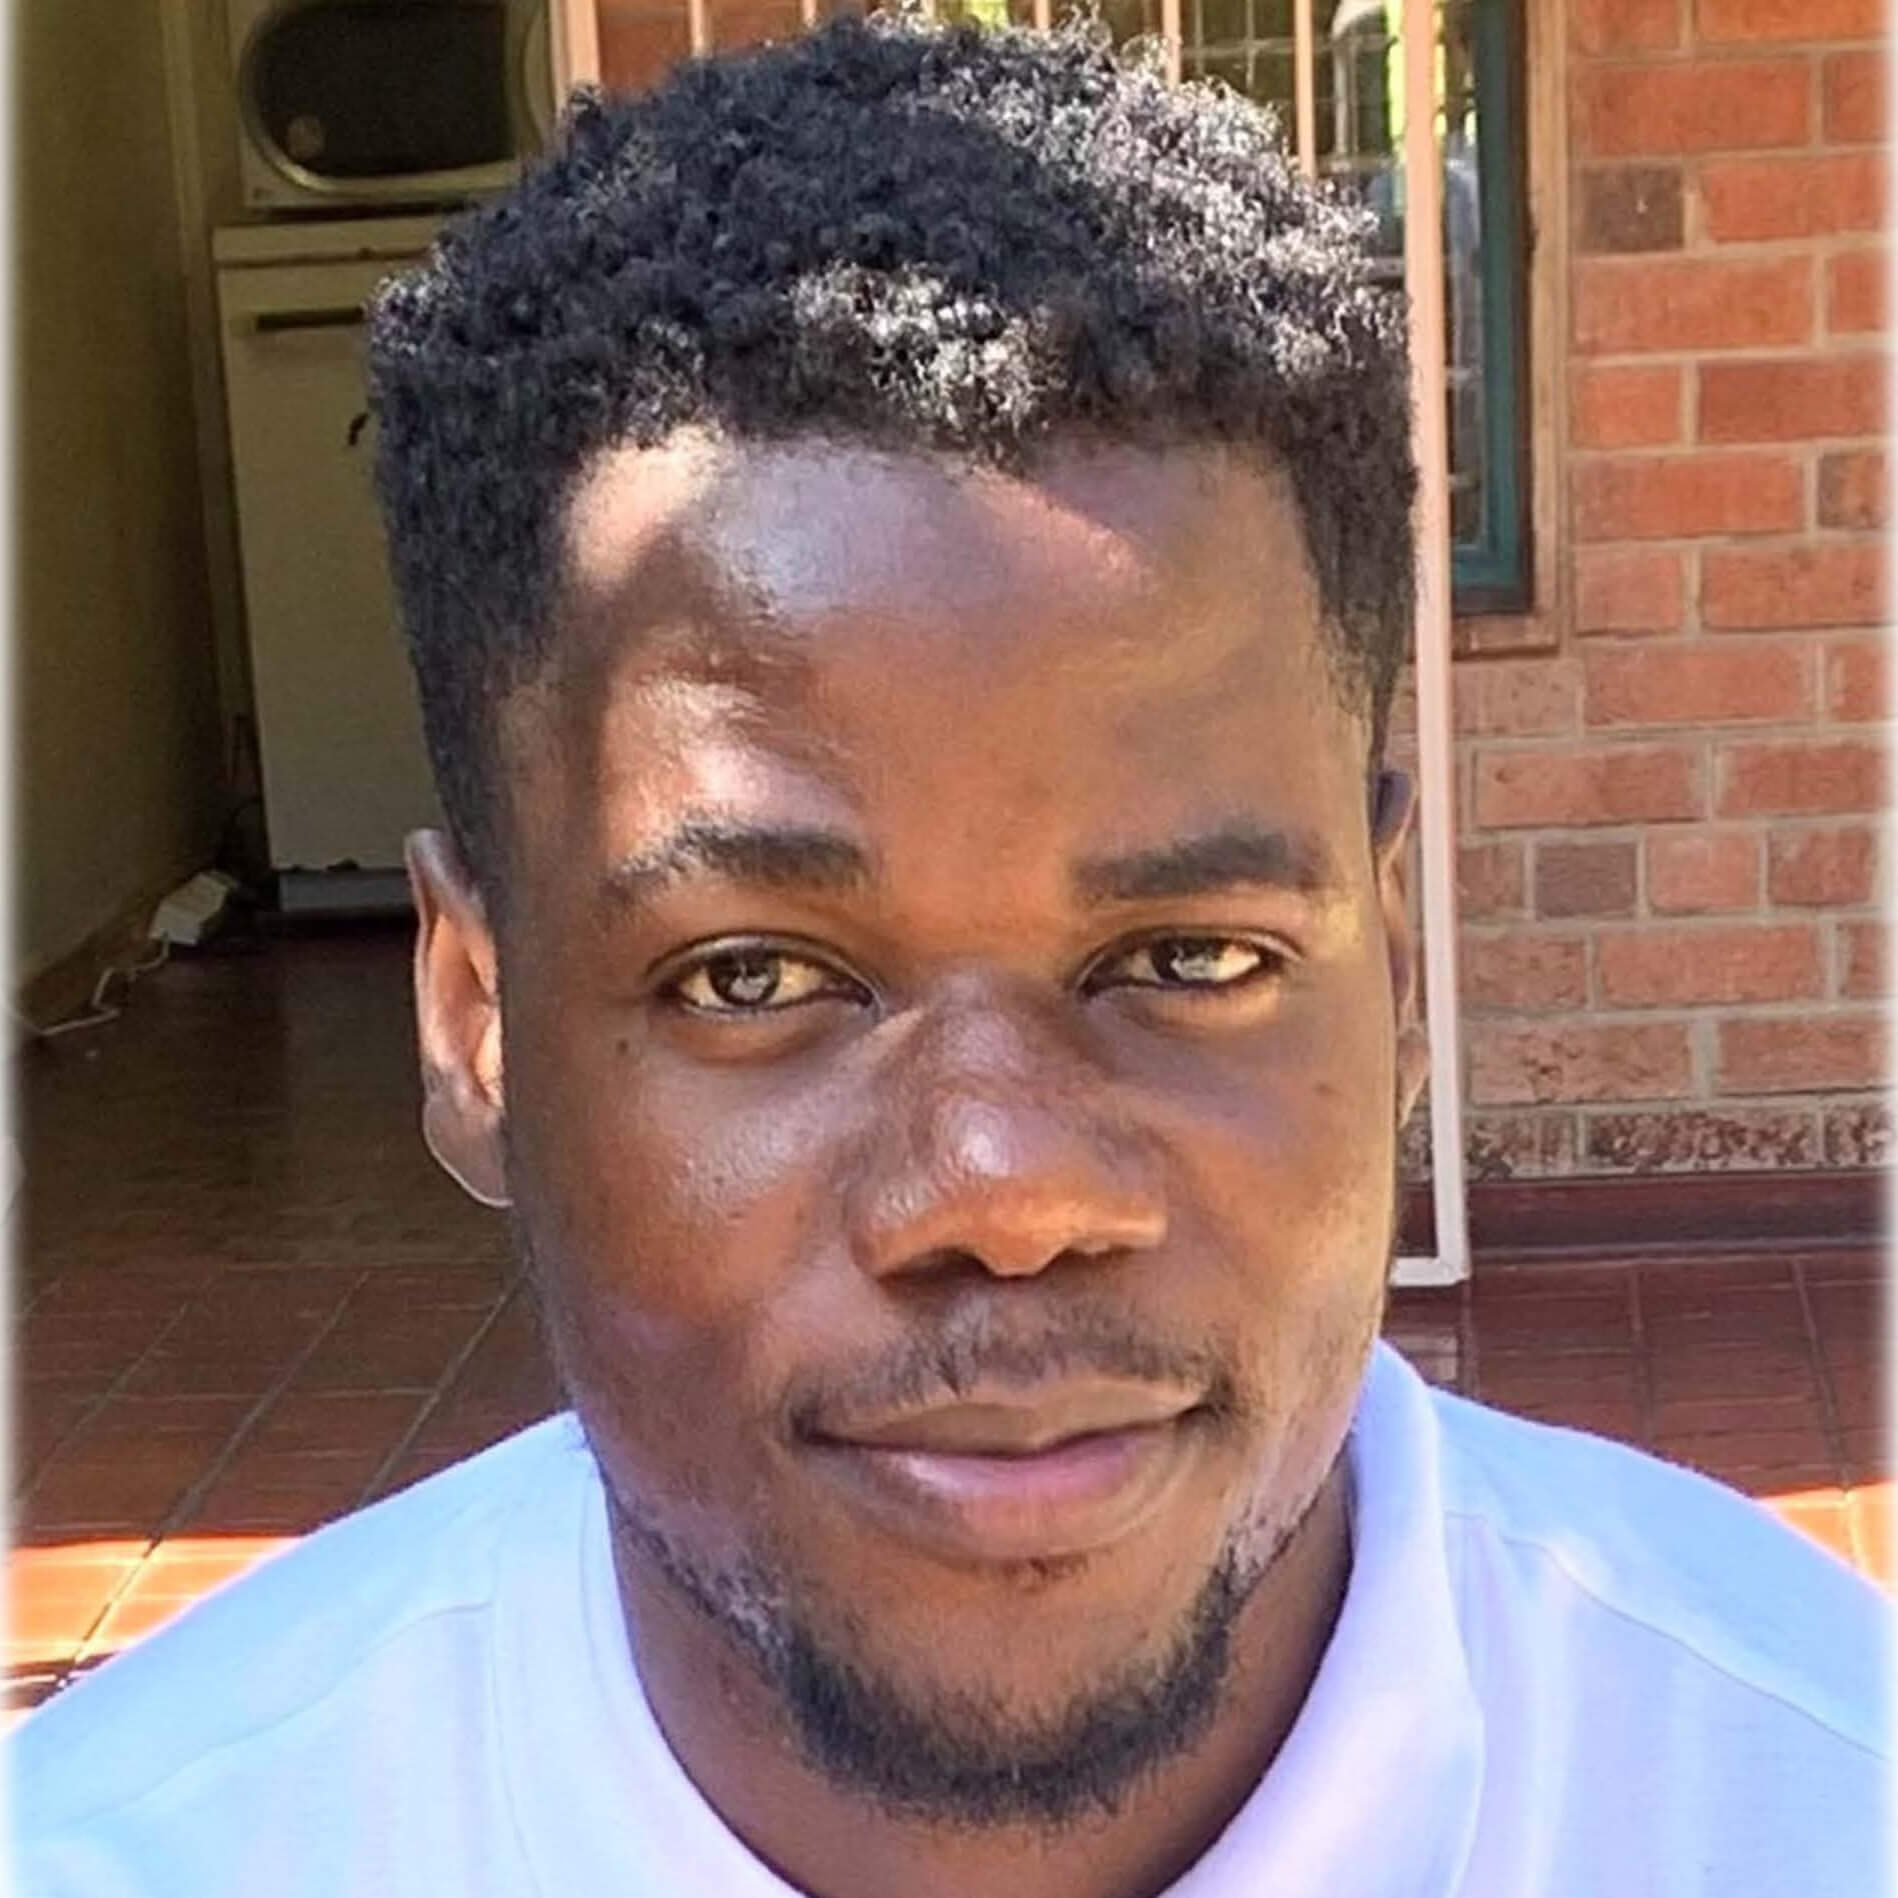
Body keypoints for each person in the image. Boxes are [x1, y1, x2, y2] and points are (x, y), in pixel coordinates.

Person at [16, 16, 1887, 1895]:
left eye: (1190, 955)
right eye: (752, 976)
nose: (1006, 1190)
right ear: (476, 1018)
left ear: (1392, 969)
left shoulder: (1818, 1796)